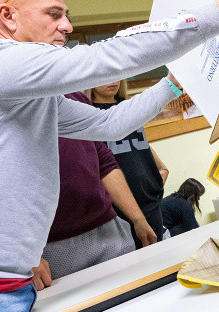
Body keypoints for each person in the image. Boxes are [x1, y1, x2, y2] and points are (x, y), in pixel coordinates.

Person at [0, 0, 219, 309]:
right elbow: (102, 59)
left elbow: (109, 124)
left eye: (66, 16)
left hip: (7, 282)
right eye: (53, 14)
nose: (66, 27)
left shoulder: (28, 96)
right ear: (8, 15)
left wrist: (171, 85)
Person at [38, 91, 157, 283]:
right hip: (52, 247)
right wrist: (23, 255)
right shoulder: (12, 108)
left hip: (109, 230)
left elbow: (105, 163)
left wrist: (138, 218)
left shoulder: (77, 99)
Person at [89, 80, 171, 248]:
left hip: (150, 204)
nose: (112, 80)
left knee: (159, 261)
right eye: (105, 76)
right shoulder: (88, 114)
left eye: (116, 74)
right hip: (119, 212)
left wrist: (160, 173)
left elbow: (139, 144)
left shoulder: (128, 107)